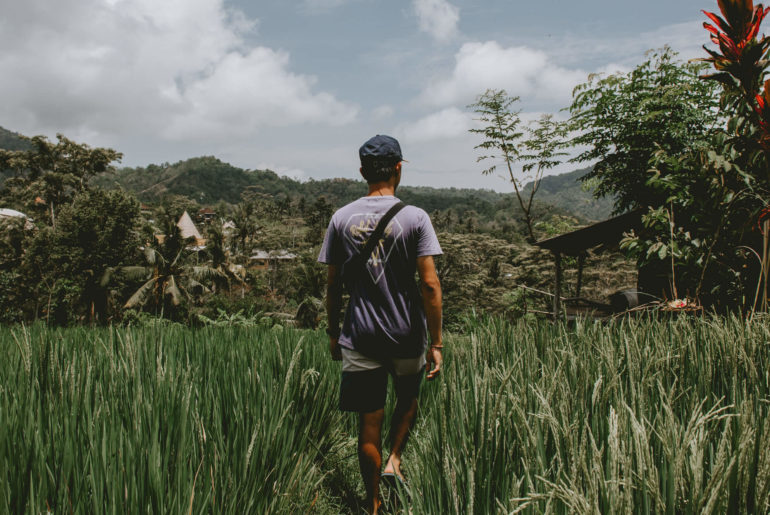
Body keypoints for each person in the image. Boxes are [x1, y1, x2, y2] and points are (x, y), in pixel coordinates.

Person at [318, 134, 443, 514]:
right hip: (407, 335)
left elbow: (334, 284)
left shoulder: (341, 218)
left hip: (361, 337)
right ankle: (395, 459)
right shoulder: (415, 217)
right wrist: (435, 342)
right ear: (399, 169)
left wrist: (333, 331)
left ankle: (372, 506)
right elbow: (430, 284)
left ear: (361, 172)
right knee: (408, 397)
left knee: (367, 423)